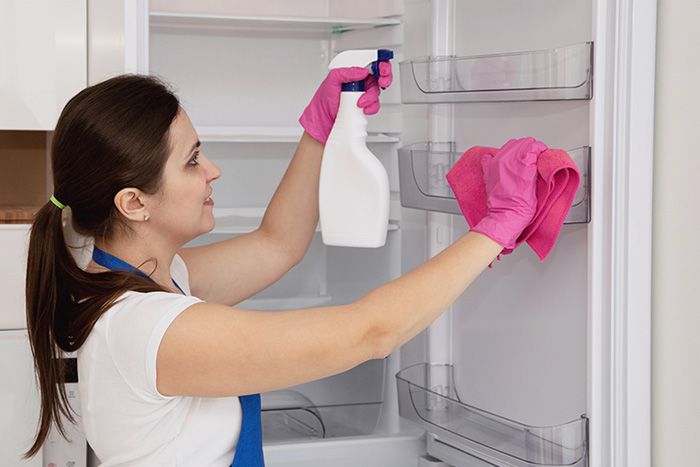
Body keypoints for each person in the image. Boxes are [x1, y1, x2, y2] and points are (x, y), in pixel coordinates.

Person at [24, 63, 544, 466]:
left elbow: (277, 244)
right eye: (191, 161)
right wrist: (496, 227)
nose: (213, 171)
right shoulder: (148, 328)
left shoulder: (143, 279)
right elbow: (372, 333)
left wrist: (322, 125)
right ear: (134, 203)